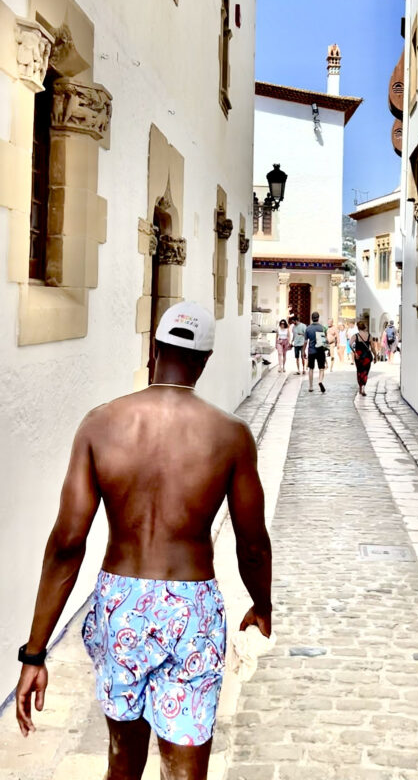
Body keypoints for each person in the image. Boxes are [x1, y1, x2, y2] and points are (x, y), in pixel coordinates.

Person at [15, 301, 272, 780]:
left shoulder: (100, 424)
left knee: (122, 756)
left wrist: (35, 652)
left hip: (121, 603)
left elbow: (68, 543)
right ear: (205, 361)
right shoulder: (231, 436)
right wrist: (263, 603)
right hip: (190, 606)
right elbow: (252, 544)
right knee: (184, 767)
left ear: (153, 349)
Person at [305, 311, 328, 393]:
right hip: (320, 351)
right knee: (321, 368)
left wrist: (304, 351)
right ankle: (320, 381)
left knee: (311, 368)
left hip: (311, 351)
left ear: (312, 318)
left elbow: (305, 341)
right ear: (318, 318)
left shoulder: (308, 328)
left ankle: (311, 386)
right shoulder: (323, 328)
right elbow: (325, 341)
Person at [351, 320, 373, 396]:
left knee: (359, 372)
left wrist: (354, 352)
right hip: (367, 357)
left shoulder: (355, 336)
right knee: (365, 372)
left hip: (358, 356)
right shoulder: (369, 336)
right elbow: (372, 348)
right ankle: (363, 387)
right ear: (364, 327)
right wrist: (376, 356)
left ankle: (360, 387)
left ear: (358, 327)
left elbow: (350, 344)